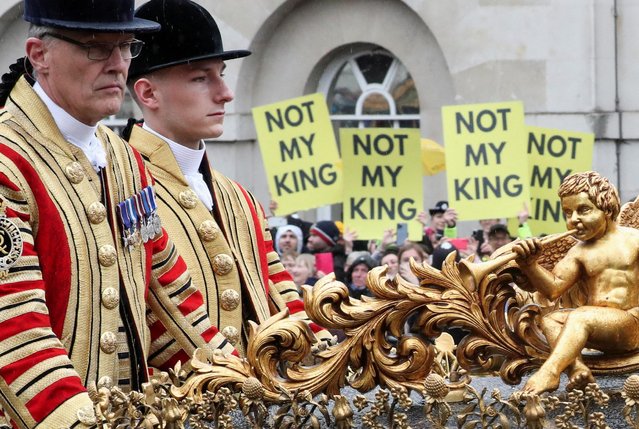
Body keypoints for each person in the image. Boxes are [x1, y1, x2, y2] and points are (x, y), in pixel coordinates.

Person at [0, 1, 231, 427]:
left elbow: (171, 301)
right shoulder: (6, 159)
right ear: (39, 55)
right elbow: (14, 333)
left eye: (126, 46)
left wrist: (239, 382)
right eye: (95, 48)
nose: (118, 64)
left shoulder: (124, 160)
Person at [124, 0, 331, 356]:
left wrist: (324, 352)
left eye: (221, 74)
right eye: (201, 78)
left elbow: (282, 294)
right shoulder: (121, 188)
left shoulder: (238, 197)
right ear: (148, 93)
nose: (226, 93)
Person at [512, 171, 639, 394]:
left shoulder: (634, 240)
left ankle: (550, 372)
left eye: (583, 210)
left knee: (581, 315)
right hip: (598, 327)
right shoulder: (578, 252)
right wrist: (530, 265)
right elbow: (553, 289)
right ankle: (576, 369)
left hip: (632, 325)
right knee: (552, 320)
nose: (574, 220)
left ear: (607, 208)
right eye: (568, 213)